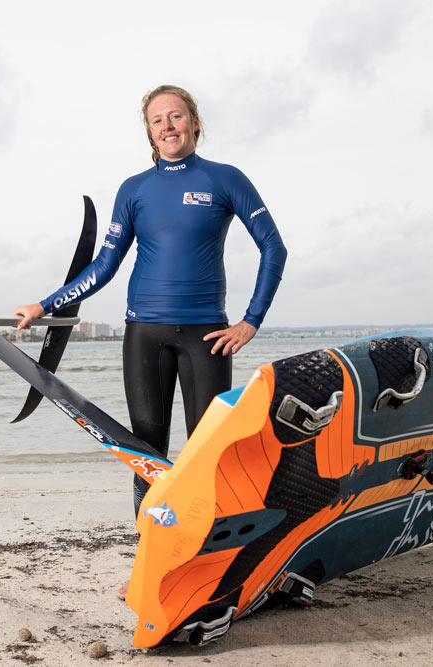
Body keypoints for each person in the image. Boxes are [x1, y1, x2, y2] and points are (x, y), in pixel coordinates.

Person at [15, 84, 287, 517]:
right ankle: (151, 551)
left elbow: (273, 246)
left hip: (207, 336)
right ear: (150, 133)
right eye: (157, 120)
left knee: (207, 450)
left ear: (195, 123)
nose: (167, 126)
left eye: (176, 116)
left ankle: (204, 553)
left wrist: (250, 320)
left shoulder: (224, 178)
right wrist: (44, 306)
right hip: (145, 334)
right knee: (146, 452)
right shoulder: (134, 189)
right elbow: (104, 266)